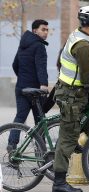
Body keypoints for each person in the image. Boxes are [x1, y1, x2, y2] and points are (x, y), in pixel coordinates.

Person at [52, 5, 89, 192]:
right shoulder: (84, 45)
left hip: (80, 93)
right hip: (71, 95)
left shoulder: (82, 37)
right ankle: (59, 183)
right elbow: (88, 78)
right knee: (67, 139)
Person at [7, 19, 49, 152]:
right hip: (35, 90)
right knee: (40, 120)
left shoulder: (23, 44)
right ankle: (40, 149)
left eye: (47, 30)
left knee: (20, 117)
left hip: (21, 87)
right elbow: (40, 67)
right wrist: (43, 84)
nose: (46, 32)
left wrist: (23, 78)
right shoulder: (39, 46)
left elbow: (15, 65)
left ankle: (12, 145)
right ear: (35, 30)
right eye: (43, 29)